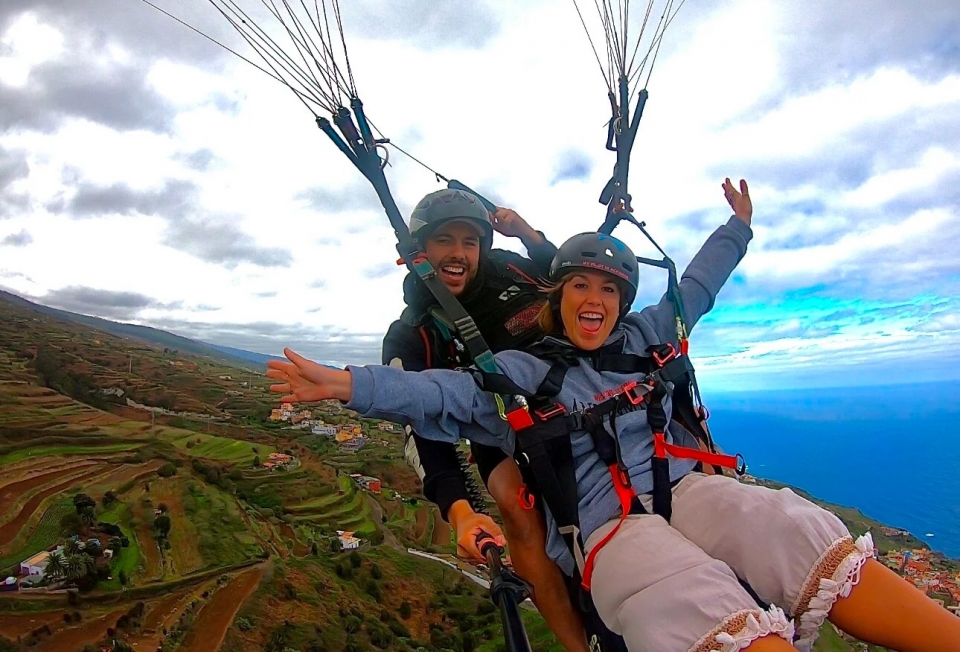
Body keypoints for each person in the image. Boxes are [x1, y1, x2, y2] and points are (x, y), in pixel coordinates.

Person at [267, 179, 960, 651]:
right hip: (557, 464)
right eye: (580, 288)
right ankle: (577, 640)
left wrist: (738, 229)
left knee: (784, 526)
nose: (592, 300)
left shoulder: (622, 323)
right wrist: (347, 386)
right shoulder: (479, 357)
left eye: (467, 240)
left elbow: (691, 287)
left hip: (672, 478)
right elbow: (437, 400)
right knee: (535, 515)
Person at [381, 187, 595, 651]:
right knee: (515, 508)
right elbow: (420, 425)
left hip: (579, 389)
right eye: (444, 240)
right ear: (418, 251)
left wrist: (526, 233)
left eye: (470, 241)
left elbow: (570, 279)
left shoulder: (512, 270)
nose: (458, 253)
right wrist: (459, 510)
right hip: (501, 427)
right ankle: (576, 644)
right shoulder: (414, 334)